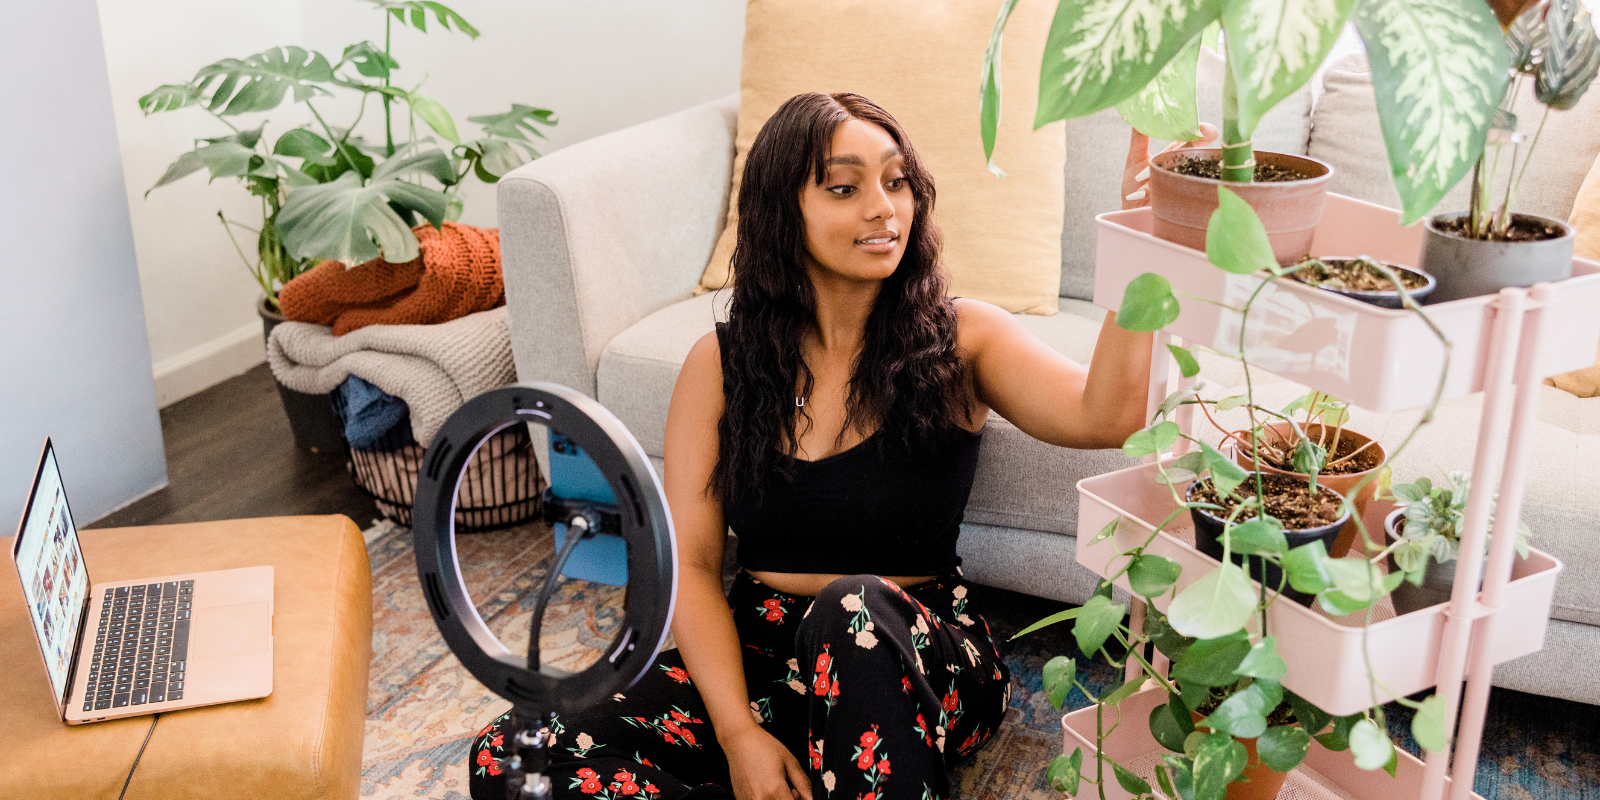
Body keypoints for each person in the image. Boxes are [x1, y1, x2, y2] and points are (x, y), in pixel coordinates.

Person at [468, 93, 1216, 800]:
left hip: (908, 651)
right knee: (514, 753)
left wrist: (1146, 234)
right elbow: (690, 567)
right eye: (843, 187)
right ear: (781, 211)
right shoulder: (719, 366)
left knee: (848, 609)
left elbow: (1106, 412)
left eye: (897, 183)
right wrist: (738, 734)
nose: (883, 209)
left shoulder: (963, 340)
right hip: (761, 663)